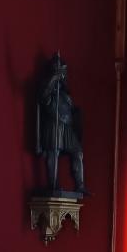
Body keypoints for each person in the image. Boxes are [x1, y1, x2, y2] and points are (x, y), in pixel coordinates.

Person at [36, 54, 85, 196]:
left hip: (67, 125)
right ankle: (53, 185)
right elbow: (43, 96)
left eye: (64, 72)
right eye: (60, 72)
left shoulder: (64, 93)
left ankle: (80, 185)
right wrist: (54, 78)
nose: (63, 75)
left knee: (77, 152)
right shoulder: (48, 90)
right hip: (54, 123)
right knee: (54, 152)